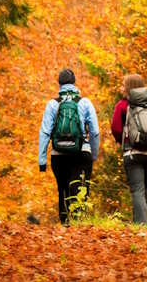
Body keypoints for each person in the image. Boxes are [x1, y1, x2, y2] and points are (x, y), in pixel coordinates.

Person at [38, 68, 100, 225]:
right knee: (80, 188)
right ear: (74, 83)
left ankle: (65, 225)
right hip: (81, 152)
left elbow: (45, 132)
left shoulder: (52, 104)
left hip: (58, 155)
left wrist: (42, 160)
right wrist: (93, 154)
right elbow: (95, 131)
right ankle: (79, 225)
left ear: (59, 84)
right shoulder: (84, 102)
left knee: (63, 189)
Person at [111, 74, 147, 224]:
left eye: (123, 85)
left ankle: (141, 227)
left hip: (132, 153)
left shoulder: (123, 105)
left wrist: (123, 140)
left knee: (137, 190)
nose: (121, 88)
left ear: (129, 87)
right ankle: (141, 224)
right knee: (145, 189)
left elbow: (116, 128)